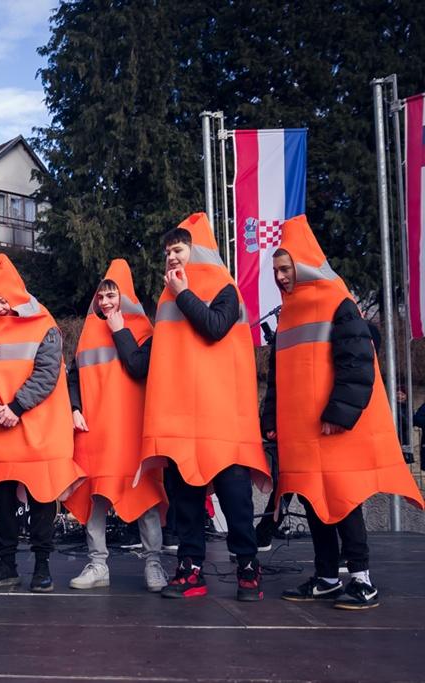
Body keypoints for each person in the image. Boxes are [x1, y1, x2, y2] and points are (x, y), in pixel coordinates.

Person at [263, 215, 424, 609]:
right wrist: (270, 422)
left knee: (344, 500)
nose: (281, 277)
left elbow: (357, 364)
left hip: (333, 429)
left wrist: (339, 414)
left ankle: (362, 579)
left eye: (286, 269)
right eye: (276, 271)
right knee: (314, 502)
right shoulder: (289, 315)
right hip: (303, 432)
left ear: (302, 265)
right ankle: (326, 577)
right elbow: (279, 377)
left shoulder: (339, 302)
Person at [138, 213, 271, 601]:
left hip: (221, 418)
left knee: (234, 499)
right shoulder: (167, 298)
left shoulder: (226, 288)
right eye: (167, 254)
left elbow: (215, 327)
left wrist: (182, 293)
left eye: (178, 250)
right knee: (186, 501)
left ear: (198, 251)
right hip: (179, 418)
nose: (171, 259)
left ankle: (248, 568)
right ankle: (191, 570)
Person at [0, 254, 82, 593]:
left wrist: (15, 408)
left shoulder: (44, 325)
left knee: (42, 499)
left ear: (19, 296)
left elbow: (48, 373)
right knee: (2, 498)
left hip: (37, 427)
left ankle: (42, 566)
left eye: (5, 299)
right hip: (3, 425)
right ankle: (5, 565)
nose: (0, 306)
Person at [64, 260, 169, 592]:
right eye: (102, 297)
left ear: (125, 297)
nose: (106, 302)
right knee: (96, 495)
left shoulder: (145, 330)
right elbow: (74, 375)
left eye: (112, 295)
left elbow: (139, 369)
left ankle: (154, 564)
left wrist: (119, 328)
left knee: (144, 496)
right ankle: (98, 564)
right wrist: (75, 407)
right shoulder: (87, 334)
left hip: (131, 431)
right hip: (96, 431)